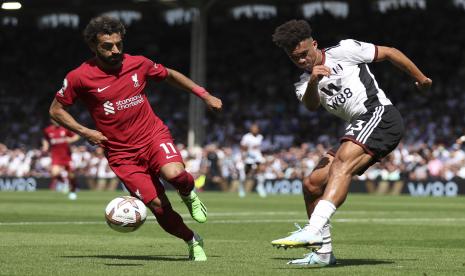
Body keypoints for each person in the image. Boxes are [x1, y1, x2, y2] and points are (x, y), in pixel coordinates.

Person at [48, 16, 222, 261]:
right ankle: (192, 240)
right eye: (107, 46)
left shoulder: (138, 63)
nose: (115, 50)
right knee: (159, 206)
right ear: (93, 46)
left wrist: (204, 95)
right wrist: (85, 132)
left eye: (119, 44)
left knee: (175, 174)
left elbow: (170, 75)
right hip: (121, 155)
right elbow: (55, 110)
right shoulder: (79, 77)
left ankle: (188, 194)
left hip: (152, 136)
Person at [270, 20, 432, 266]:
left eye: (304, 54)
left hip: (380, 115)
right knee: (312, 184)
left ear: (314, 44)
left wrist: (420, 78)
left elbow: (388, 52)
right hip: (361, 124)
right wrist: (314, 80)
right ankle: (323, 254)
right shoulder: (303, 83)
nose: (302, 61)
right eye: (295, 59)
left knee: (341, 164)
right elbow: (311, 105)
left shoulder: (344, 50)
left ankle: (313, 229)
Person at [42, 119, 80, 200]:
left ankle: (73, 191)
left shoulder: (65, 129)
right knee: (54, 173)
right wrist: (45, 146)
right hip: (56, 156)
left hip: (67, 156)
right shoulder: (47, 130)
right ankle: (64, 183)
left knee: (71, 175)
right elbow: (45, 139)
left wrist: (71, 140)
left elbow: (76, 136)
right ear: (52, 120)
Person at [239, 123, 266, 197]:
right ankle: (241, 188)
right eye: (253, 128)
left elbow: (261, 147)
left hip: (257, 156)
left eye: (256, 128)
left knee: (261, 170)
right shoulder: (246, 137)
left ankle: (259, 186)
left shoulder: (260, 137)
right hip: (249, 157)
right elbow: (242, 147)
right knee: (245, 175)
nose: (255, 130)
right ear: (251, 129)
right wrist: (243, 155)